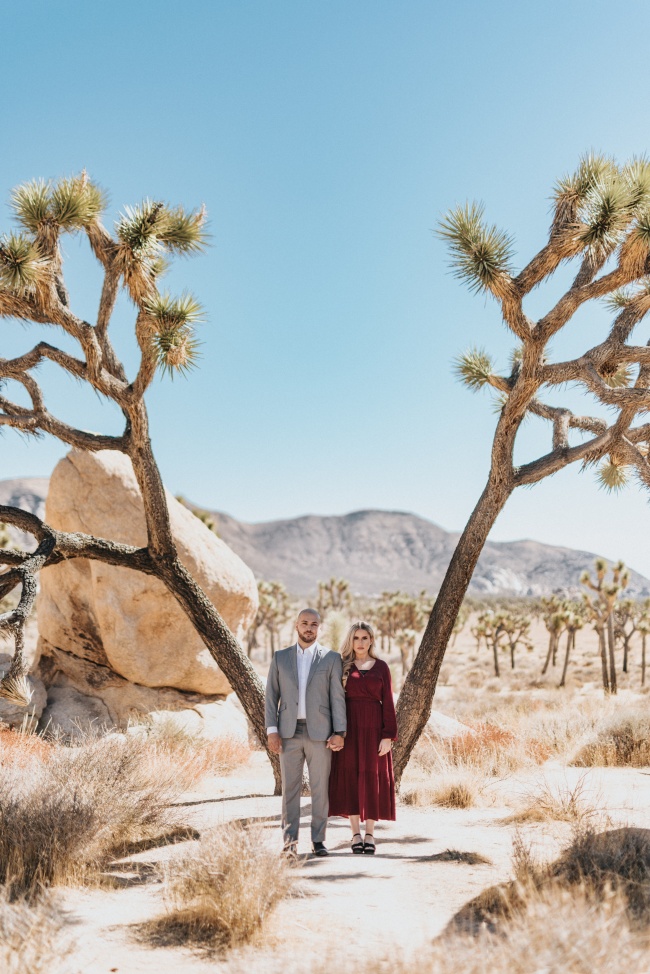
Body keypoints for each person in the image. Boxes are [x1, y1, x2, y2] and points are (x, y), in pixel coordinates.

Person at [265, 608, 347, 857]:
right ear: (296, 626)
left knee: (320, 788)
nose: (309, 628)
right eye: (304, 623)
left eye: (313, 624)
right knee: (290, 790)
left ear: (319, 628)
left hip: (320, 734)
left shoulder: (331, 659)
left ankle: (319, 840)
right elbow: (271, 697)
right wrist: (272, 731)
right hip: (288, 733)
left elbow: (337, 698)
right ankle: (289, 843)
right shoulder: (280, 658)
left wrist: (340, 731)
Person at [328, 621, 397, 854]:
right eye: (356, 638)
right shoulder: (342, 666)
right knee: (351, 778)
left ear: (371, 640)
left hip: (375, 729)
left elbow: (388, 702)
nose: (360, 643)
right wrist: (336, 732)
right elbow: (333, 701)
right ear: (351, 640)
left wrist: (388, 736)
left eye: (364, 638)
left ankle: (370, 834)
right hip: (349, 729)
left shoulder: (382, 667)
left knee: (371, 778)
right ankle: (355, 834)